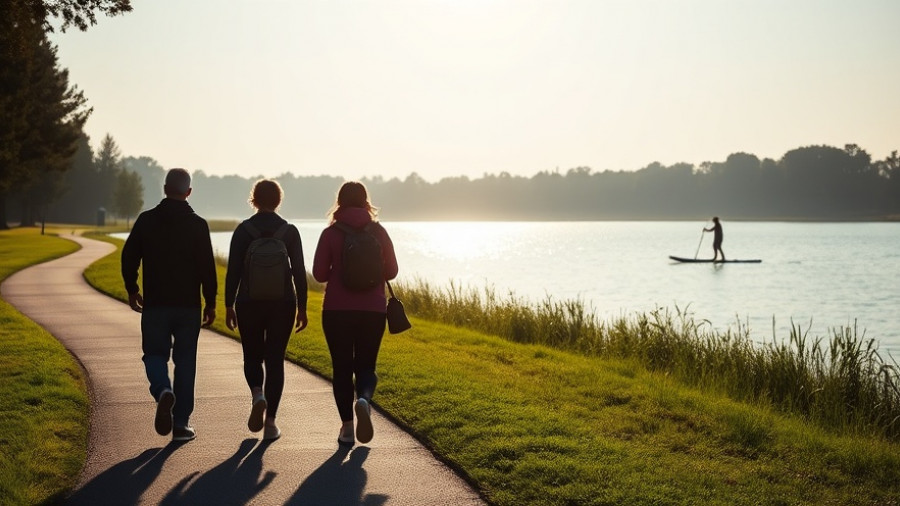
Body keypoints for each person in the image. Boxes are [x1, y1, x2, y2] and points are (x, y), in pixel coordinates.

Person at [121, 168, 217, 442]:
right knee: (185, 362)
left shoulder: (147, 220)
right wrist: (211, 302)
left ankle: (163, 389)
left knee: (154, 354)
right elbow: (207, 268)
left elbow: (129, 257)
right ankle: (181, 424)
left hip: (156, 304)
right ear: (189, 192)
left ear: (164, 189)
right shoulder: (198, 225)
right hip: (188, 306)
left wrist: (132, 288)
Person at [312, 181, 398, 446]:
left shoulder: (331, 233)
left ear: (339, 202)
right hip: (372, 310)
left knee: (341, 368)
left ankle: (347, 429)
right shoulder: (379, 231)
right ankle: (363, 399)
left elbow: (319, 274)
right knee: (366, 366)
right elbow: (392, 271)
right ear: (365, 201)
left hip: (337, 310)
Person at [224, 179, 308, 441]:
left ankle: (257, 394)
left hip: (248, 302)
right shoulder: (289, 232)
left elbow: (233, 271)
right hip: (283, 304)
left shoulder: (243, 231)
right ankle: (270, 423)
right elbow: (299, 272)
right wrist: (303, 308)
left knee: (252, 356)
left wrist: (228, 304)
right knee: (275, 360)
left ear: (254, 199)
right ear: (279, 200)